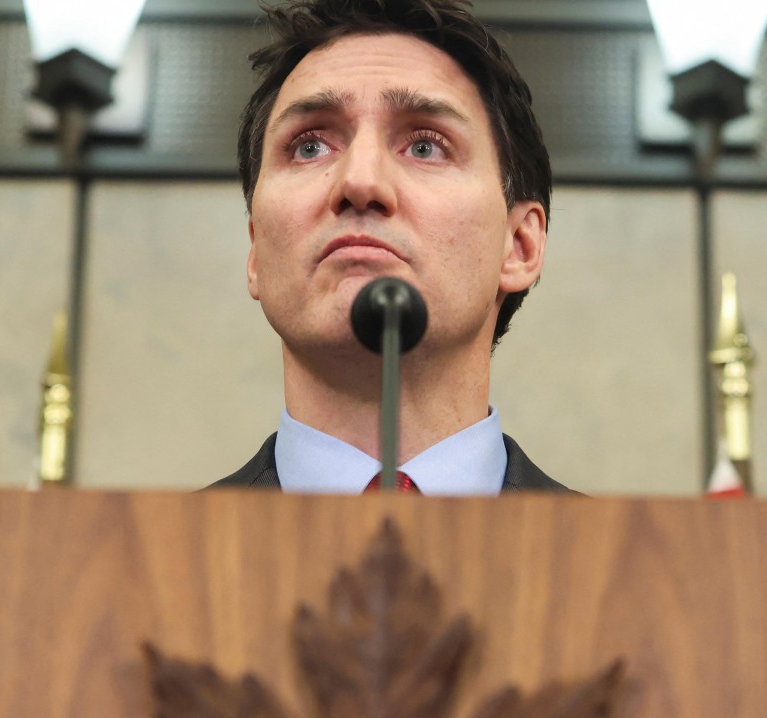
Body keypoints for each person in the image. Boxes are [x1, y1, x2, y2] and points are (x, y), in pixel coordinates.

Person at [212, 0, 572, 495]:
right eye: (309, 146)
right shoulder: (134, 569)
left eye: (425, 146)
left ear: (519, 245)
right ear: (255, 251)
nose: (359, 182)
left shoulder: (644, 572)